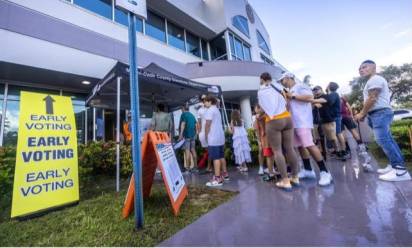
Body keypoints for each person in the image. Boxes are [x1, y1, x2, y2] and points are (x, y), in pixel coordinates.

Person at [354, 60, 411, 181]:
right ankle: (394, 165)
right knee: (388, 139)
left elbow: (372, 97)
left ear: (374, 67)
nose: (361, 70)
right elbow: (371, 99)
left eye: (364, 67)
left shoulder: (375, 79)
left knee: (383, 140)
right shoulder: (371, 81)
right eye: (360, 68)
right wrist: (366, 113)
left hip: (380, 113)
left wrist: (362, 113)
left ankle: (400, 171)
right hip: (377, 113)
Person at [280, 72, 332, 186]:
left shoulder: (301, 86)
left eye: (282, 80)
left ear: (288, 78)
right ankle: (308, 170)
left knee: (309, 145)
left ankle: (325, 172)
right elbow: (289, 106)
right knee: (300, 146)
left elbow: (310, 97)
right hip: (294, 122)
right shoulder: (290, 90)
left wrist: (292, 96)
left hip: (303, 121)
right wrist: (287, 98)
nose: (282, 82)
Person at [258, 72, 299, 190]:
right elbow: (287, 100)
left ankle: (285, 181)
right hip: (287, 118)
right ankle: (295, 177)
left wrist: (259, 115)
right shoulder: (279, 86)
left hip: (274, 120)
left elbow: (264, 108)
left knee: (277, 151)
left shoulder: (262, 91)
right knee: (290, 148)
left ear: (262, 79)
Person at [313, 86, 346, 161]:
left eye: (317, 89)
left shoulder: (325, 96)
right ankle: (335, 151)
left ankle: (340, 152)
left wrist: (312, 101)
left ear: (321, 90)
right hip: (319, 121)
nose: (315, 91)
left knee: (333, 137)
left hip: (328, 120)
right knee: (325, 138)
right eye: (314, 90)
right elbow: (315, 106)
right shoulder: (314, 99)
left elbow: (322, 102)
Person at [204, 95, 229, 186]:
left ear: (210, 101)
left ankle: (217, 178)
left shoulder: (210, 110)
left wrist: (206, 135)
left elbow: (207, 124)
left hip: (213, 137)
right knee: (221, 156)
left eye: (205, 101)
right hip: (220, 136)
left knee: (215, 158)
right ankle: (225, 174)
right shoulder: (217, 110)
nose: (204, 103)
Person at [327, 82, 350, 159]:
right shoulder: (335, 94)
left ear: (330, 86)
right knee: (338, 133)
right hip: (336, 116)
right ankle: (342, 150)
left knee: (338, 133)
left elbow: (330, 102)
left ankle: (343, 151)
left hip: (335, 117)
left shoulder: (333, 94)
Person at [179, 104, 198, 173]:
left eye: (181, 109)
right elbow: (196, 125)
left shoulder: (184, 115)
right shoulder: (192, 115)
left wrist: (181, 134)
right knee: (193, 150)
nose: (181, 110)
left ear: (183, 109)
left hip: (187, 136)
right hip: (193, 135)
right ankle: (196, 168)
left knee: (187, 151)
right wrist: (196, 134)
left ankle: (187, 169)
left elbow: (183, 124)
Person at [197, 95, 212, 172]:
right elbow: (199, 123)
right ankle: (209, 166)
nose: (204, 100)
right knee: (208, 150)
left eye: (205, 98)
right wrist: (199, 133)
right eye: (203, 99)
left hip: (211, 131)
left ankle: (209, 166)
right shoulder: (199, 110)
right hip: (203, 131)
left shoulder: (210, 108)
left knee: (209, 150)